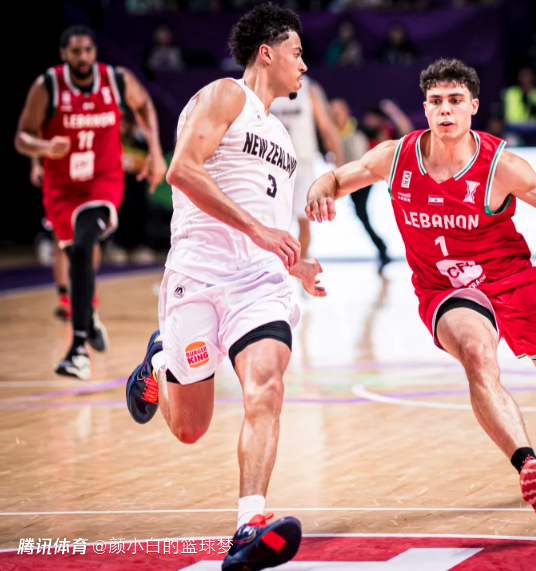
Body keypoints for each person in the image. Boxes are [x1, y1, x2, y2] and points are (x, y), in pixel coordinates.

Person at [306, 58, 536, 524]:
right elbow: (337, 177)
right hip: (444, 290)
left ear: (473, 106)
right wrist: (320, 186)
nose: (445, 110)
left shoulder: (500, 166)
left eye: (455, 101)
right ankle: (529, 466)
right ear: (425, 109)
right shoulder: (396, 157)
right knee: (476, 354)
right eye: (435, 102)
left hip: (511, 282)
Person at [124, 4, 325, 569]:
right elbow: (182, 170)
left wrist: (297, 266)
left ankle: (248, 524)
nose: (303, 65)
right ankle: (161, 360)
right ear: (267, 53)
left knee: (267, 386)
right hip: (198, 273)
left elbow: (273, 224)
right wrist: (258, 230)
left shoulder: (283, 139)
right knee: (190, 428)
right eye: (296, 53)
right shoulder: (224, 96)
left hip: (259, 284)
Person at [15, 25, 166, 380]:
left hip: (102, 181)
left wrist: (155, 152)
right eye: (75, 51)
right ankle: (88, 314)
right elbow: (22, 136)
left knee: (84, 245)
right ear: (63, 54)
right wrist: (43, 148)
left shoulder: (116, 80)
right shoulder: (48, 86)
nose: (82, 57)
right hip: (61, 187)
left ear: (94, 52)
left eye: (87, 50)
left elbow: (144, 105)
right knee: (73, 252)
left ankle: (77, 349)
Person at [270, 76, 342, 260]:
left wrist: (339, 164)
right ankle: (275, 266)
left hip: (301, 162)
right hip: (272, 162)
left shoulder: (308, 87)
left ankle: (301, 263)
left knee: (305, 219)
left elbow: (326, 126)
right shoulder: (266, 82)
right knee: (273, 221)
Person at [330, 98, 390, 272]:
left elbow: (383, 137)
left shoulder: (359, 129)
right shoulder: (331, 132)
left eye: (338, 113)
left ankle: (382, 249)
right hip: (347, 178)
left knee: (361, 212)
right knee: (361, 214)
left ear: (346, 112)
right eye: (332, 113)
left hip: (363, 178)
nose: (335, 116)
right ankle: (382, 248)